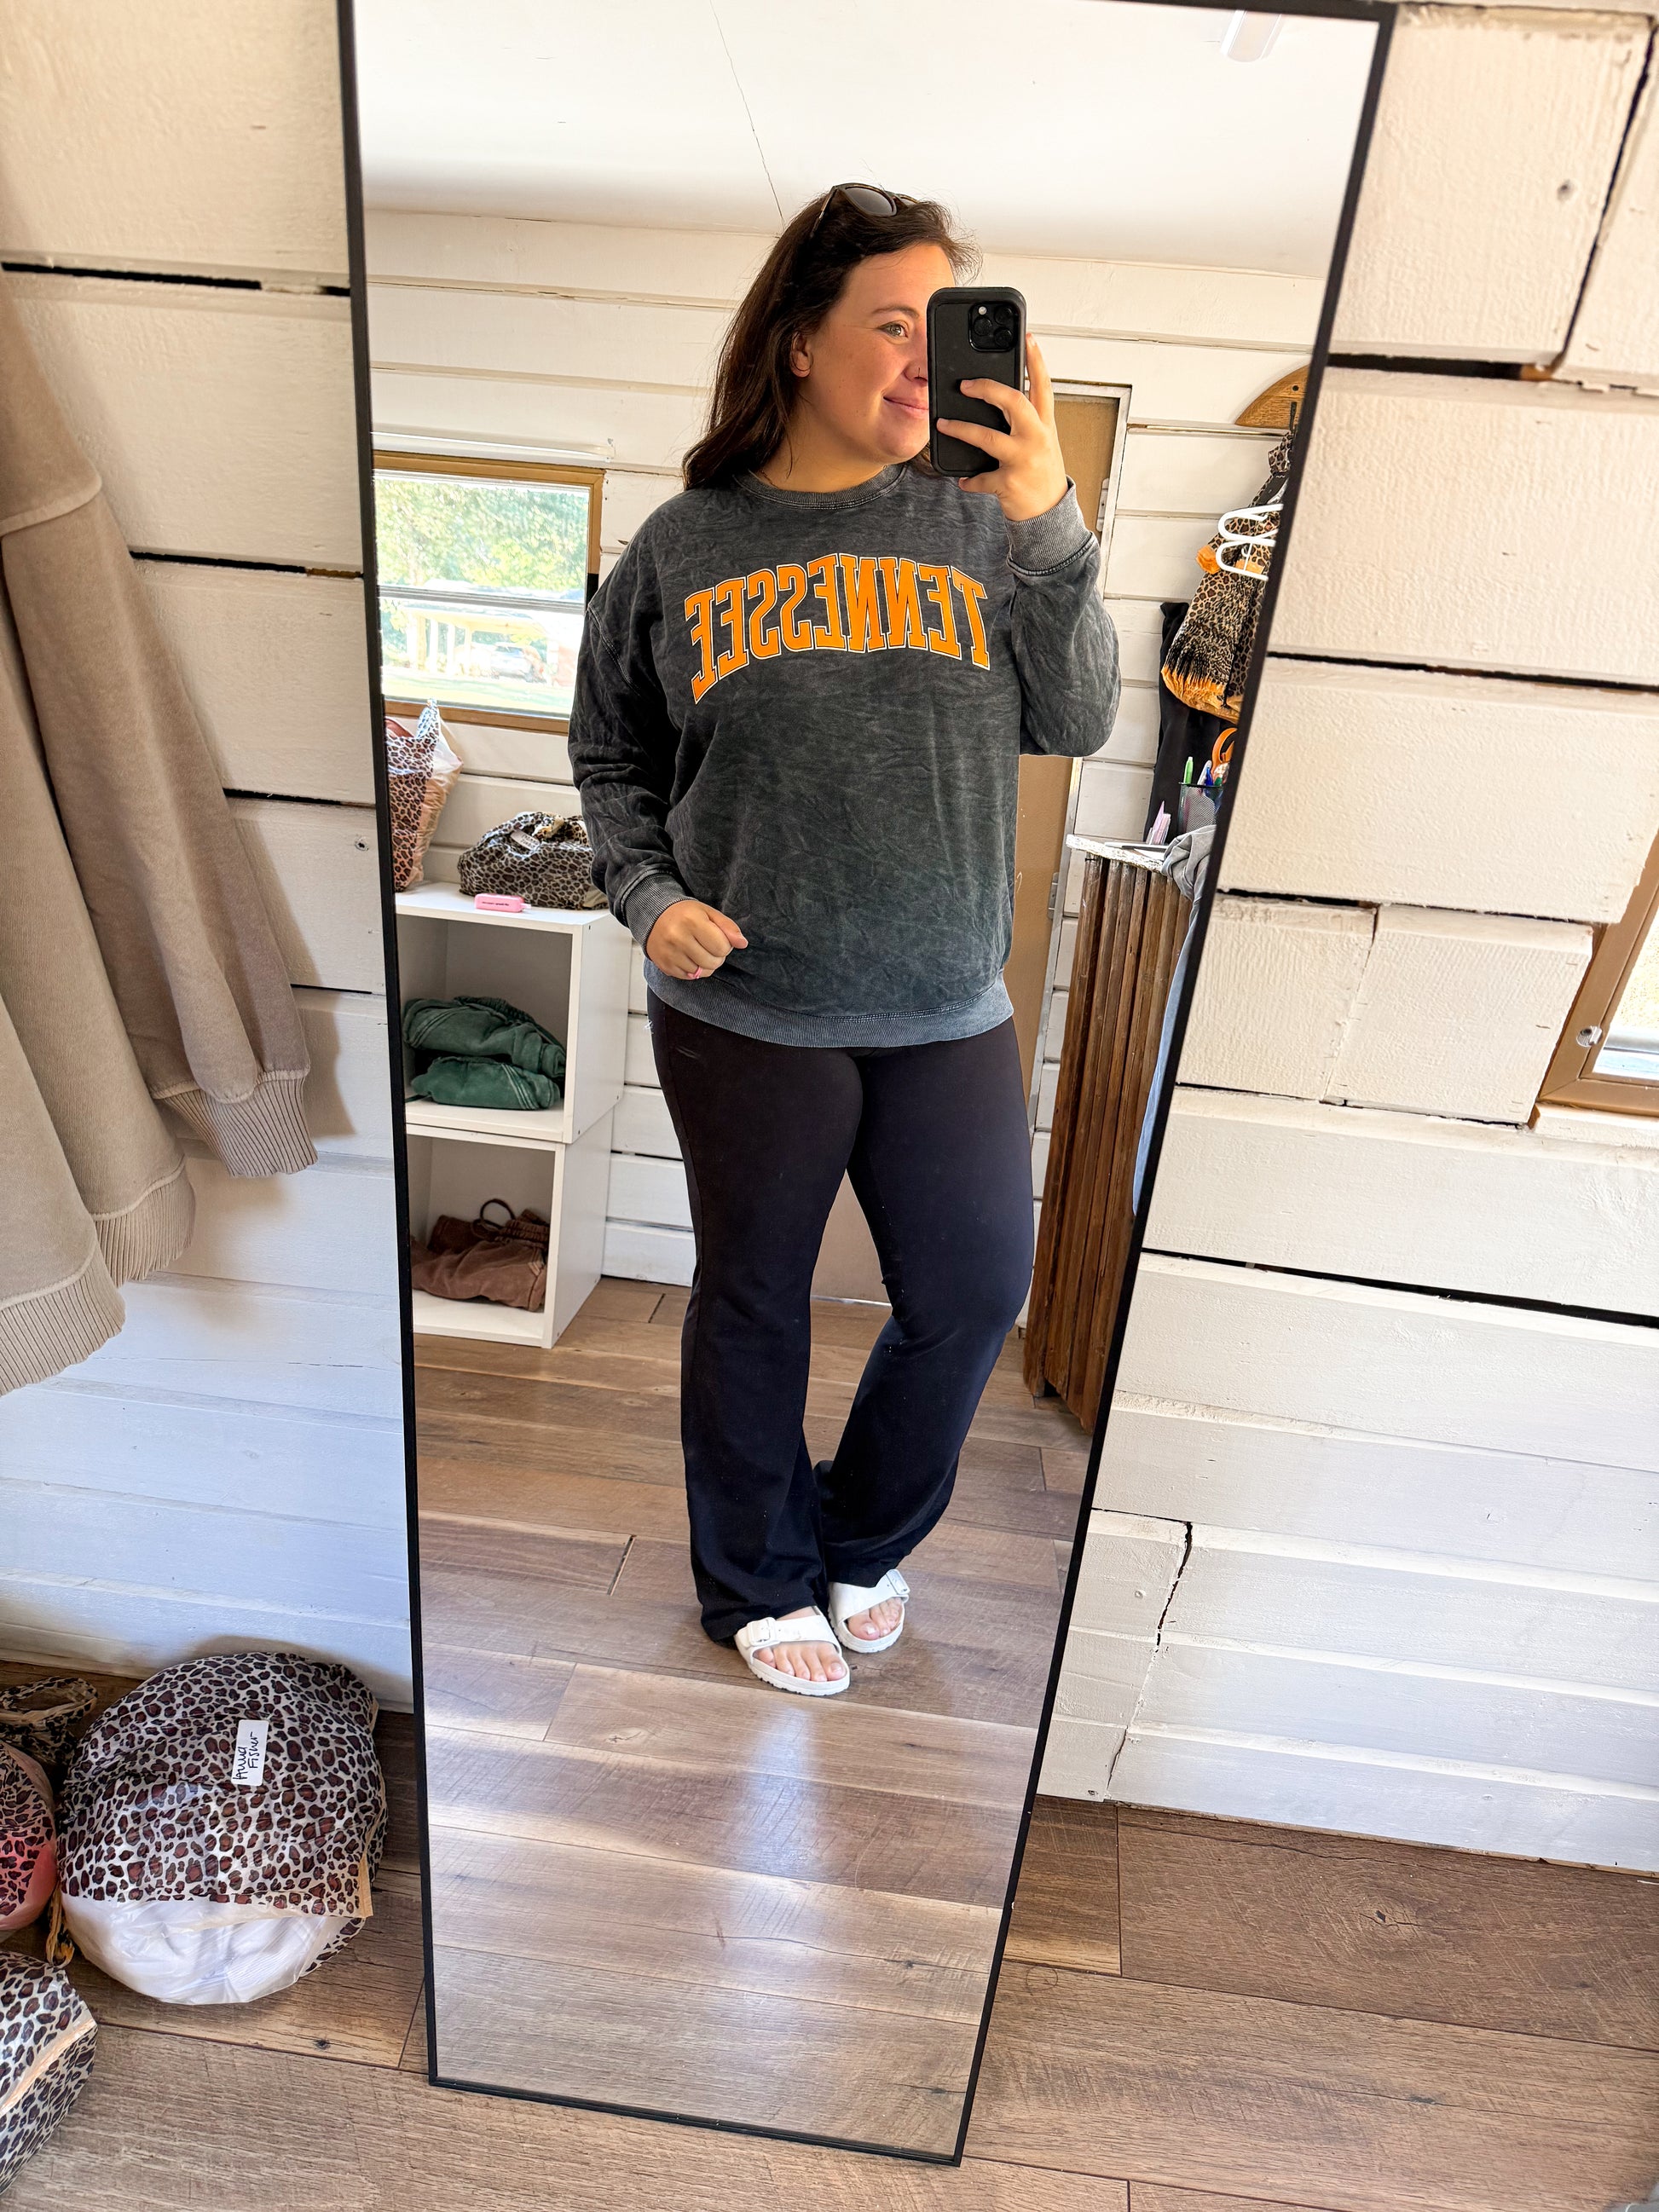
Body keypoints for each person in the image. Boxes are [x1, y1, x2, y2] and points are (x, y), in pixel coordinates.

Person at [569, 183, 1118, 1697]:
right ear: (800, 341)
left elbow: (1077, 718)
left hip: (946, 1004)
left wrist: (1051, 519)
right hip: (748, 1003)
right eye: (893, 324)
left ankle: (857, 1541)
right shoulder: (683, 545)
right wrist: (646, 896)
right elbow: (610, 757)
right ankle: (753, 1580)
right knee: (754, 1299)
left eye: (944, 331)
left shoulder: (990, 525)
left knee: (969, 1294)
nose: (924, 362)